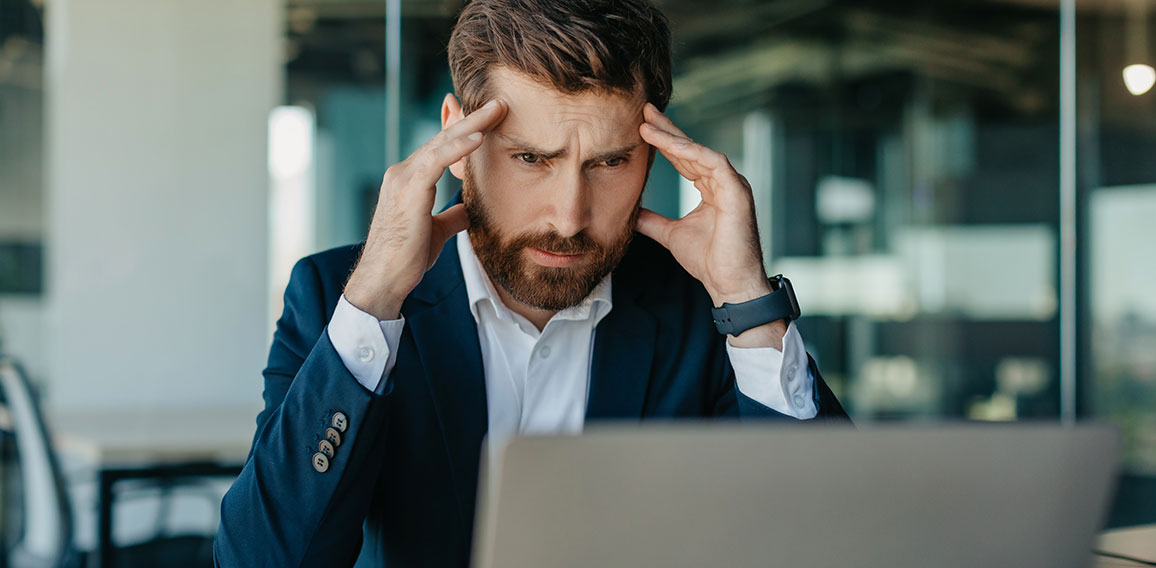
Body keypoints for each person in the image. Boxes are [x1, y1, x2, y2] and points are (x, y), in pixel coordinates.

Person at [215, 0, 849, 565]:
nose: (569, 217)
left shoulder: (704, 308)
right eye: (531, 158)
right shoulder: (339, 296)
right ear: (456, 144)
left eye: (609, 162)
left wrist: (748, 301)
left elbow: (833, 540)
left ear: (653, 157)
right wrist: (375, 299)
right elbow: (264, 558)